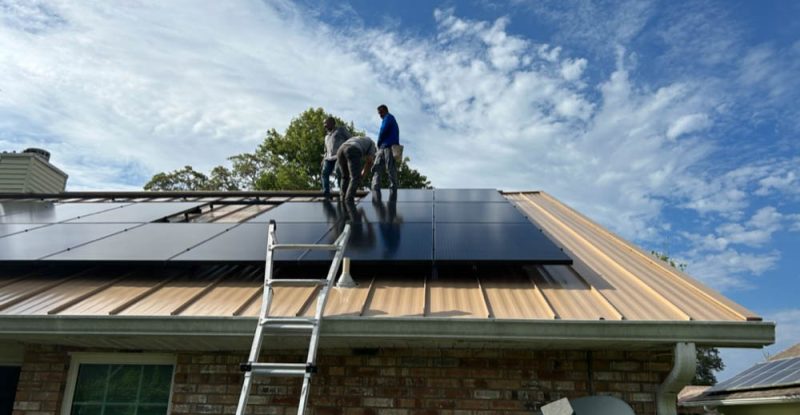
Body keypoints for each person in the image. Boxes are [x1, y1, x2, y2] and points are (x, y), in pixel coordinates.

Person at [336, 135, 377, 202]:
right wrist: (362, 175)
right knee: (355, 178)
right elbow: (369, 161)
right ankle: (349, 200)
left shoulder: (360, 139)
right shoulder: (372, 144)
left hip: (340, 150)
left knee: (345, 177)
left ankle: (342, 200)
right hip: (352, 149)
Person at [372, 104, 399, 198]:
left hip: (388, 147)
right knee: (377, 167)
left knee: (389, 168)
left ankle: (393, 190)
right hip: (384, 147)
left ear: (385, 111)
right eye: (379, 113)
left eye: (381, 113)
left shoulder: (388, 117)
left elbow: (383, 131)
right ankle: (375, 189)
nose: (380, 115)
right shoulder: (390, 119)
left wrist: (378, 143)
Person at [321, 117, 351, 197]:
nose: (325, 126)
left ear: (332, 123)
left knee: (339, 172)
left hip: (339, 156)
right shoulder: (326, 137)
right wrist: (323, 158)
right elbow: (325, 150)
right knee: (324, 173)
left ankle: (342, 193)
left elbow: (350, 140)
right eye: (324, 124)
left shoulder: (341, 130)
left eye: (326, 123)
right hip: (328, 158)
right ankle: (326, 194)